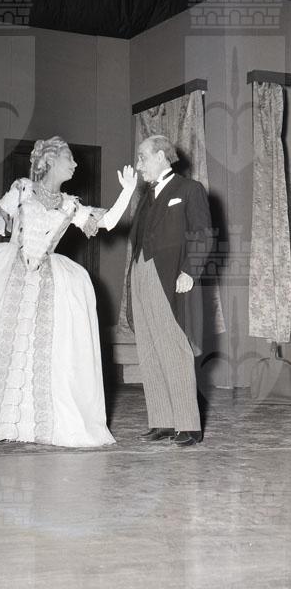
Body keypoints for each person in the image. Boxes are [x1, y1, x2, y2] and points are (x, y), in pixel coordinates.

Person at [0, 136, 137, 447]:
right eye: (69, 157)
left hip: (49, 278)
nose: (75, 164)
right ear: (50, 159)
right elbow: (1, 212)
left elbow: (106, 221)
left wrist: (128, 191)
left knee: (44, 349)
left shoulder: (70, 204)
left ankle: (36, 425)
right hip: (10, 272)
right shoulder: (23, 188)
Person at [128, 135, 212, 447]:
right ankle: (162, 420)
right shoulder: (146, 194)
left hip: (169, 274)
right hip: (140, 272)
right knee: (148, 348)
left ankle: (188, 425)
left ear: (162, 156)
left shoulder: (189, 189)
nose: (138, 164)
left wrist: (190, 270)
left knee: (174, 347)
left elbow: (203, 233)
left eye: (142, 157)